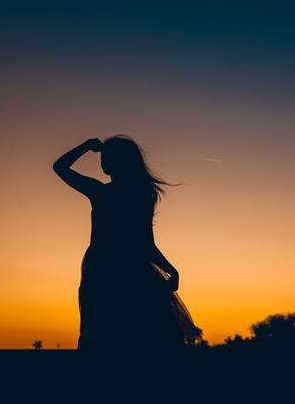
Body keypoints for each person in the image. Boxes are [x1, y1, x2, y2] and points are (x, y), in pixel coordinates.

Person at [53, 135, 202, 355]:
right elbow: (146, 244)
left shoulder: (101, 193)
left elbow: (60, 167)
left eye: (105, 158)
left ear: (118, 161)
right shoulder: (140, 194)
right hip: (128, 269)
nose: (101, 162)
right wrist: (170, 269)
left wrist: (86, 146)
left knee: (102, 336)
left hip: (104, 271)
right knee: (138, 337)